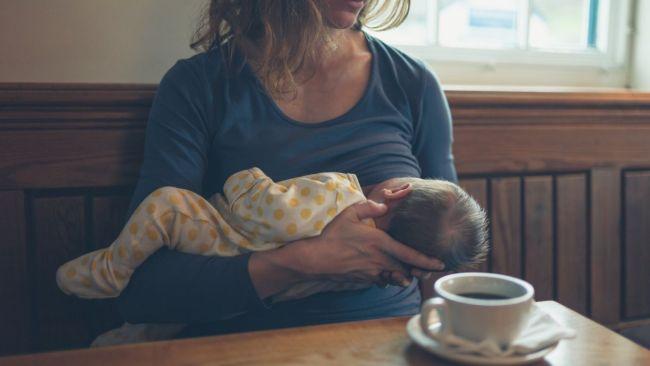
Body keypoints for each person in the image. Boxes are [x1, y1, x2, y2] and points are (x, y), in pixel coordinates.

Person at [115, 0, 457, 336]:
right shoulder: (198, 86)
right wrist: (306, 262)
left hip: (389, 346)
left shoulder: (414, 84)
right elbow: (144, 290)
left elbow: (448, 264)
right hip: (244, 349)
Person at [57, 168, 487, 302]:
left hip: (218, 238)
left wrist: (246, 178)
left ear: (397, 192)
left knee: (167, 205)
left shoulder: (342, 192)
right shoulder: (367, 272)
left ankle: (110, 270)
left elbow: (258, 208)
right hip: (259, 301)